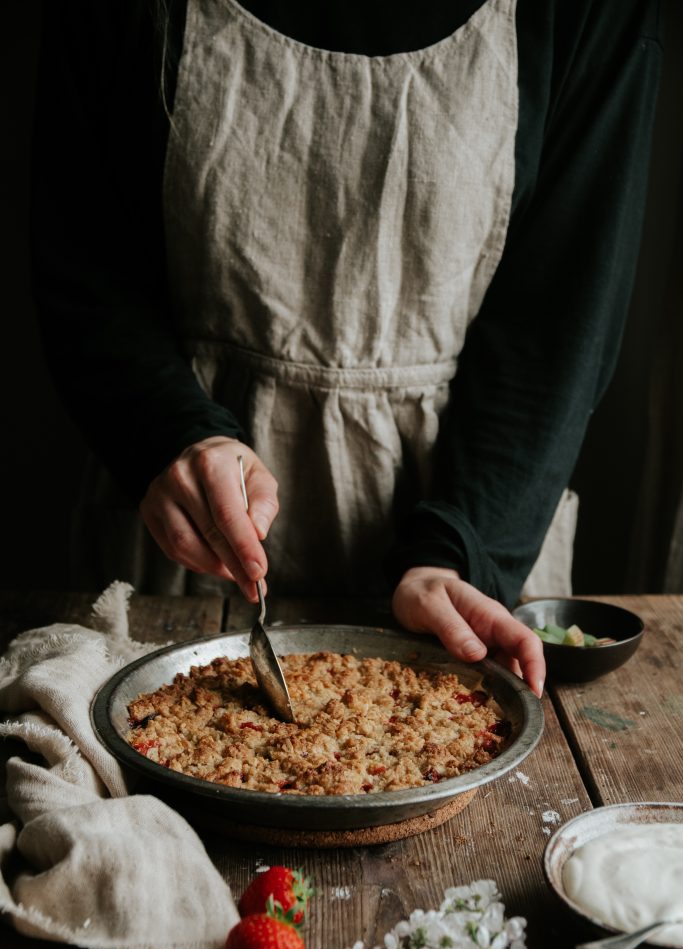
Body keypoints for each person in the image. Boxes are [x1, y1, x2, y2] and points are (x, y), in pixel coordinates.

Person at [30, 0, 662, 699]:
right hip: (191, 522)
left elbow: (558, 322)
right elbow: (85, 260)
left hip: (471, 510)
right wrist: (169, 434)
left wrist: (458, 551)